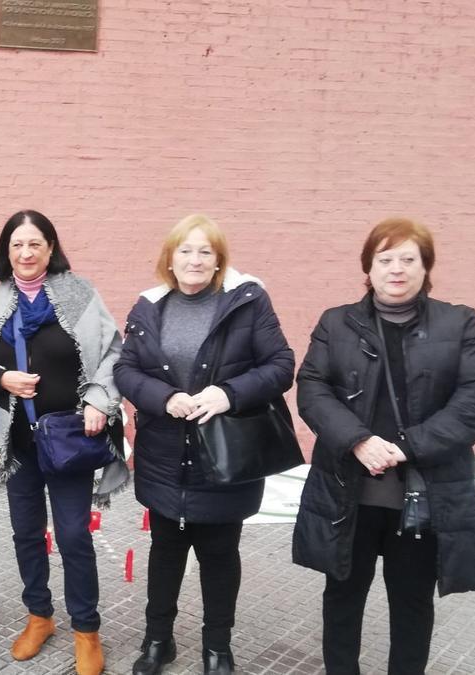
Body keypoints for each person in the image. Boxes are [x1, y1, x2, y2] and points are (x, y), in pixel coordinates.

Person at [292, 217, 475, 674]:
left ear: (427, 267)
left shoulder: (460, 322)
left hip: (423, 496)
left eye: (409, 259)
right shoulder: (336, 322)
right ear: (368, 268)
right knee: (342, 599)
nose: (397, 269)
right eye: (385, 259)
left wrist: (408, 446)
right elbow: (311, 388)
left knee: (411, 605)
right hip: (349, 493)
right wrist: (358, 440)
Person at [113, 214, 295, 675]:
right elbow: (126, 370)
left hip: (223, 456)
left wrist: (228, 394)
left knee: (219, 555)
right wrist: (165, 397)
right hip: (164, 454)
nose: (194, 260)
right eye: (185, 251)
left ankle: (218, 646)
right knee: (165, 553)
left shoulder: (247, 302)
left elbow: (281, 365)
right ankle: (158, 641)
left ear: (218, 261)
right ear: (170, 260)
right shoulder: (149, 306)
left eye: (204, 252)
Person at [0, 209, 123, 675]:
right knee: (26, 534)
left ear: (50, 248)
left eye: (35, 244)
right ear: (6, 251)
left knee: (73, 535)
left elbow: (113, 353)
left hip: (70, 440)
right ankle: (39, 616)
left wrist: (98, 400)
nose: (26, 253)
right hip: (17, 445)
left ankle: (87, 631)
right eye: (17, 245)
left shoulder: (79, 294)